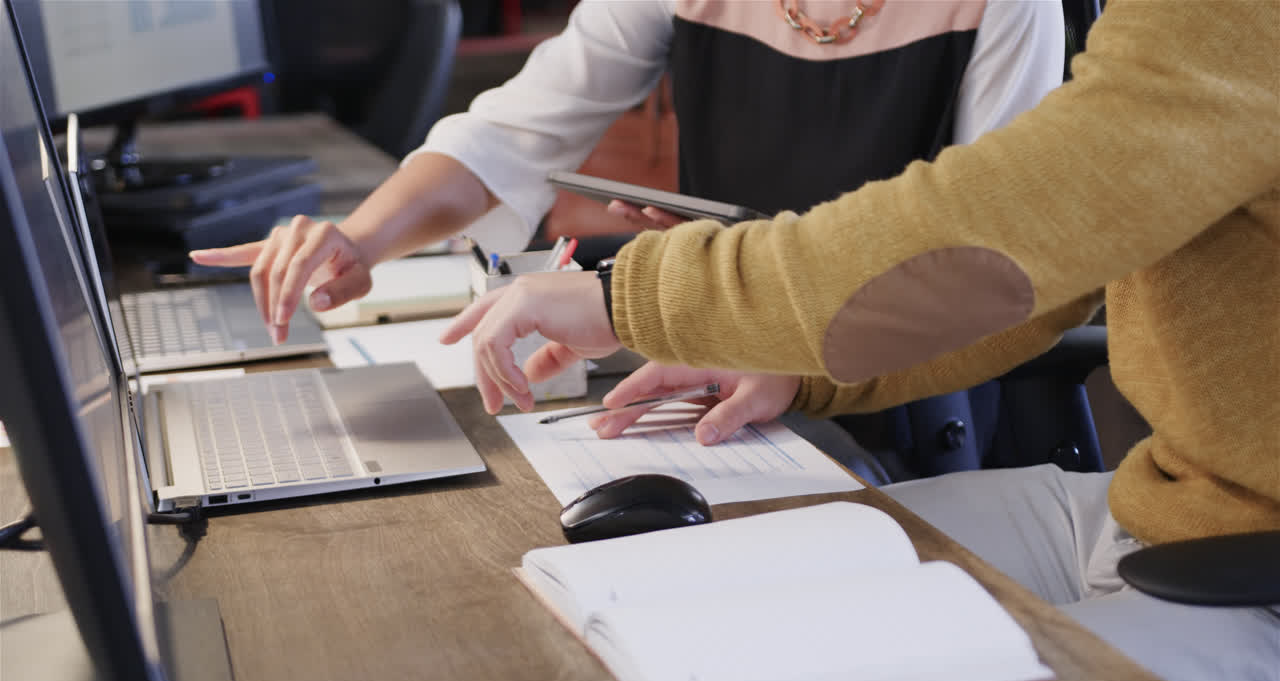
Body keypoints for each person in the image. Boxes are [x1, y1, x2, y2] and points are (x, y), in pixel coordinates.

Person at [438, 1, 1280, 681]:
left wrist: (637, 296)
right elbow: (1037, 277)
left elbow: (998, 230)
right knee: (703, 586)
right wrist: (787, 367)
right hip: (1158, 500)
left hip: (1256, 558)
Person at [189, 0, 1064, 348]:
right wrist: (360, 239)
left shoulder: (1006, 5)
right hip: (715, 349)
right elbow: (513, 134)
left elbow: (986, 266)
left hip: (892, 373)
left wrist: (729, 314)